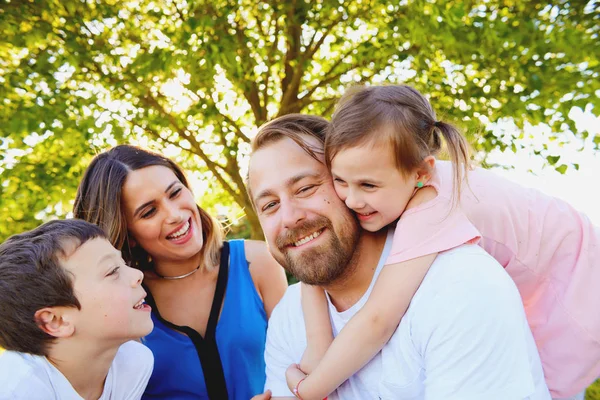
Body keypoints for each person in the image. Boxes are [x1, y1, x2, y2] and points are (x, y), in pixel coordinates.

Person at [282, 85, 599, 400]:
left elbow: (378, 320)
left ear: (421, 171)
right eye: (340, 181)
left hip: (576, 287)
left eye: (367, 185)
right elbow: (320, 265)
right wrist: (317, 343)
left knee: (533, 386)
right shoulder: (399, 184)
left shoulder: (431, 205)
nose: (352, 199)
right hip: (555, 269)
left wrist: (308, 390)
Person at [247, 114, 551, 399]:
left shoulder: (458, 283)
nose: (289, 217)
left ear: (351, 181)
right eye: (270, 205)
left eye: (305, 188)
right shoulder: (289, 315)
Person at [73, 145, 288, 399]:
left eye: (175, 193)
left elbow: (296, 362)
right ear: (128, 234)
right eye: (149, 212)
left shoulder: (258, 262)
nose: (174, 214)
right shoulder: (122, 303)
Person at [0, 219, 154, 399]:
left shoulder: (134, 363)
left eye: (124, 263)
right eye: (112, 271)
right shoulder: (16, 390)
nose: (138, 274)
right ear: (56, 321)